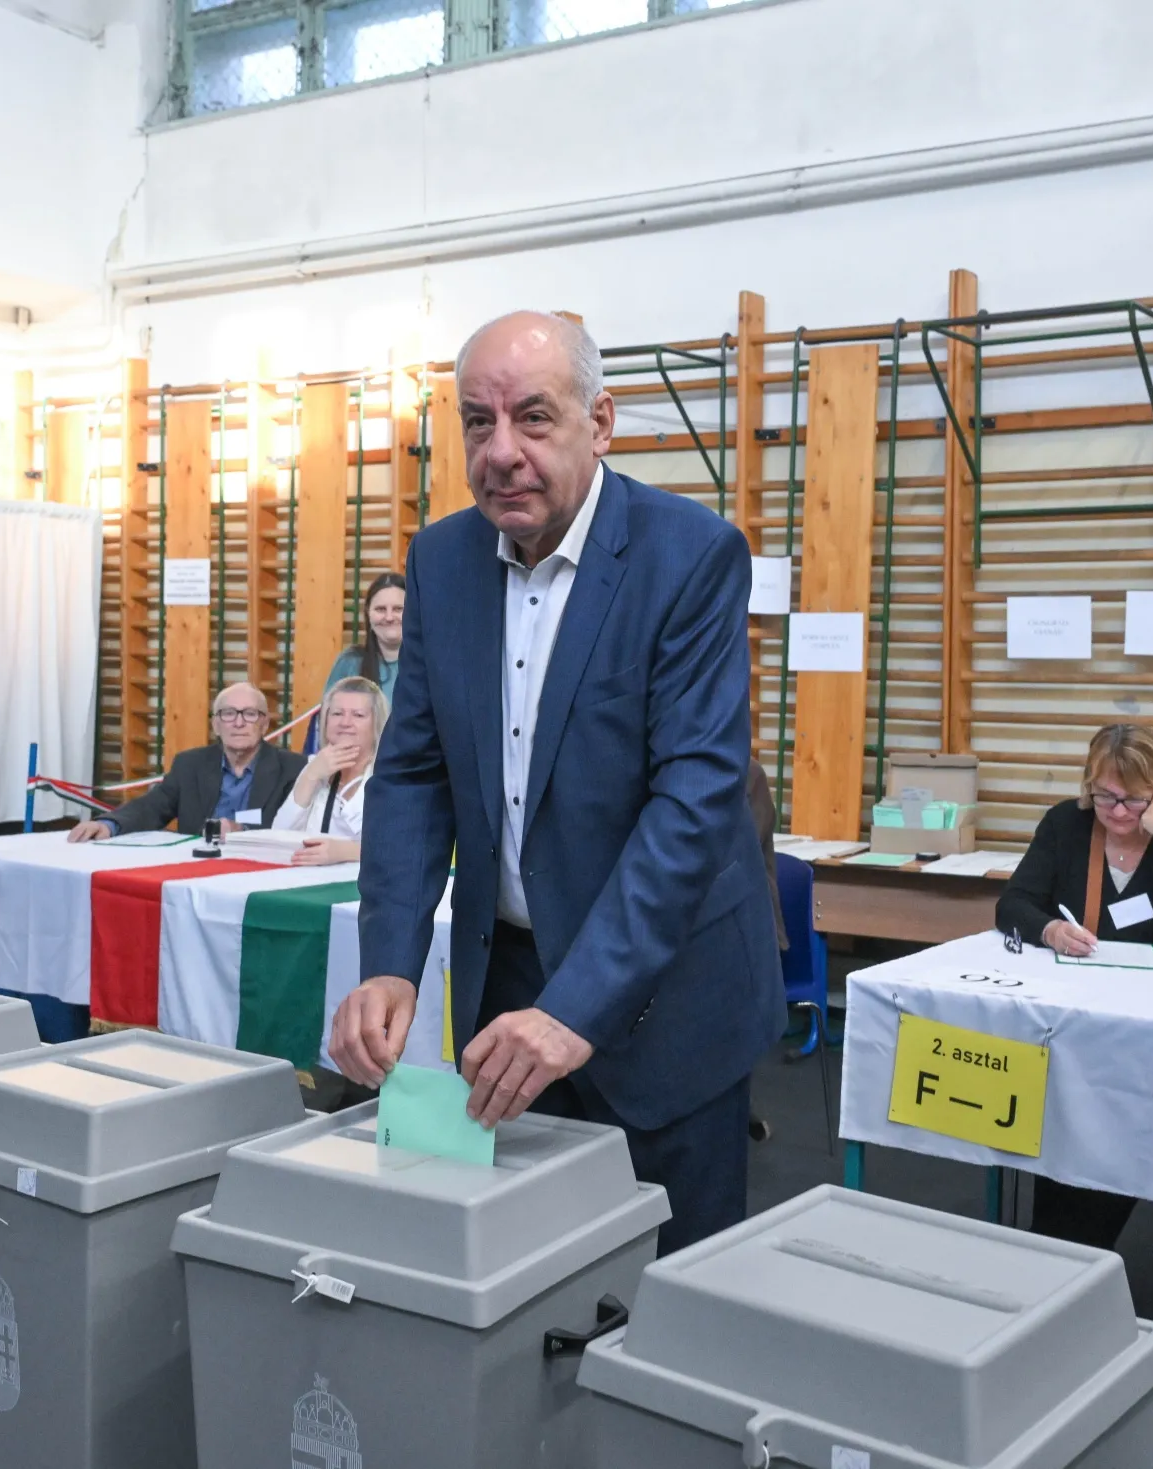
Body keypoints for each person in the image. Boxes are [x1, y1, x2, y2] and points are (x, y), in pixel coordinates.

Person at [329, 310, 783, 1255]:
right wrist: (388, 959)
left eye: (533, 418)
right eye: (477, 423)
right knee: (523, 1278)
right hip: (510, 983)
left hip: (665, 993)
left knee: (670, 1297)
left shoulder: (689, 558)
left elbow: (694, 803)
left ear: (601, 423)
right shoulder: (443, 563)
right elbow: (413, 773)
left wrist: (576, 1009)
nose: (502, 452)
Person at [995, 722, 1153, 1250]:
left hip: (1152, 1026)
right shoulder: (1065, 826)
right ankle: (1060, 1248)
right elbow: (1013, 904)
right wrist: (1049, 929)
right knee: (1064, 1124)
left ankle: (1065, 1249)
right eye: (1105, 797)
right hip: (1073, 1017)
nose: (1119, 813)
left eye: (1135, 801)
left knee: (1107, 1134)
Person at [68, 682, 305, 841]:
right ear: (216, 725)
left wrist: (241, 830)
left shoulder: (294, 769)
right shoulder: (190, 765)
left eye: (250, 714)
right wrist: (109, 825)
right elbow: (151, 807)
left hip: (259, 873)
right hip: (193, 871)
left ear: (264, 725)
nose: (239, 723)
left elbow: (293, 829)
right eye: (229, 713)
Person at [272, 676, 386, 865]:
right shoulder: (314, 766)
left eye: (358, 715)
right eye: (337, 714)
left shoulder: (392, 775)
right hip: (312, 884)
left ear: (376, 723)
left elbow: (407, 848)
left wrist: (347, 851)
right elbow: (278, 837)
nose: (345, 722)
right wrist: (311, 776)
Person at [325, 572, 405, 707]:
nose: (389, 617)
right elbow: (327, 719)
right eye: (380, 609)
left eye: (398, 609)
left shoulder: (431, 665)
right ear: (368, 615)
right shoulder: (349, 663)